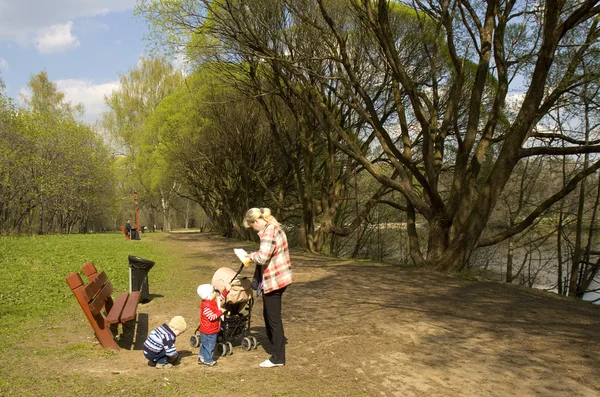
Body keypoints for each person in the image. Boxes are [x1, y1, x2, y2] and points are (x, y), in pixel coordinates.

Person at [242, 207, 293, 368]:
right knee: (269, 316)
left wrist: (250, 256)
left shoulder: (269, 231)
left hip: (275, 280)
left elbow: (263, 258)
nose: (253, 229)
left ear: (256, 221)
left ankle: (277, 358)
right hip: (277, 278)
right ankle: (276, 352)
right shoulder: (273, 227)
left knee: (273, 319)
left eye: (252, 226)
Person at [196, 282, 231, 366]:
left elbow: (221, 298)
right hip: (209, 331)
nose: (215, 292)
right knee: (210, 346)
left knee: (205, 345)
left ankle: (201, 357)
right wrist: (220, 312)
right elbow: (211, 317)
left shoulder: (212, 300)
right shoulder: (206, 306)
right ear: (208, 295)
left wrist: (227, 290)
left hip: (209, 329)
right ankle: (208, 360)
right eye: (213, 291)